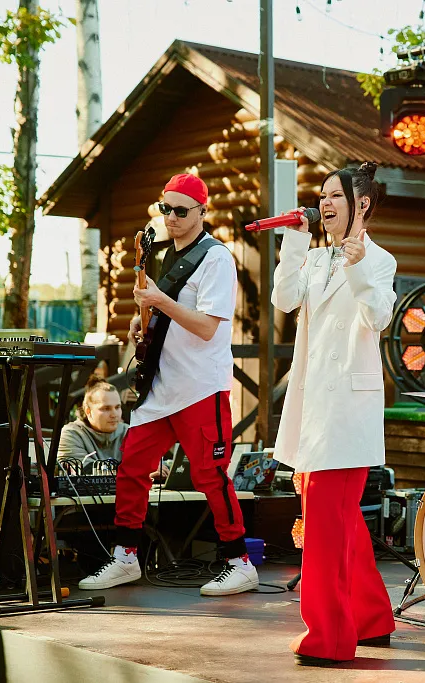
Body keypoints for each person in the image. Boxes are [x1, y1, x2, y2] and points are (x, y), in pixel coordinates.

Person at [79, 173, 257, 596]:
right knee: (132, 468)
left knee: (210, 475)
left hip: (200, 386)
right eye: (166, 209)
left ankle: (240, 562)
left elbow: (208, 327)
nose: (172, 217)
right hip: (161, 386)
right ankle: (126, 556)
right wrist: (141, 323)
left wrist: (160, 301)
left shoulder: (216, 258)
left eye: (181, 210)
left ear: (202, 211)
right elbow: (164, 313)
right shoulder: (163, 254)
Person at [272, 162, 398, 666]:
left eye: (334, 196)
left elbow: (379, 316)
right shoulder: (315, 257)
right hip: (313, 408)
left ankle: (328, 637)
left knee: (326, 527)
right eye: (321, 195)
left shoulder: (380, 259)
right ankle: (372, 618)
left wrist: (358, 267)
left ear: (360, 204)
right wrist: (294, 242)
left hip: (347, 411)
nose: (324, 204)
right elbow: (284, 300)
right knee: (340, 522)